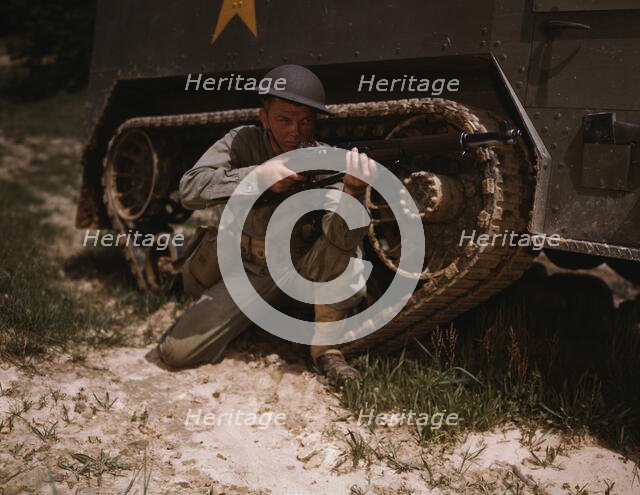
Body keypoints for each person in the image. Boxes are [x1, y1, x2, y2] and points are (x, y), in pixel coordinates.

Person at [157, 64, 377, 380]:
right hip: (252, 270)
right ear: (264, 119)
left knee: (345, 249)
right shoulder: (243, 143)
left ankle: (326, 348)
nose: (295, 131)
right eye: (284, 120)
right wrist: (256, 177)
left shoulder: (327, 161)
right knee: (176, 353)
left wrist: (353, 192)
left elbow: (341, 241)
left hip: (304, 267)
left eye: (305, 121)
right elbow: (189, 189)